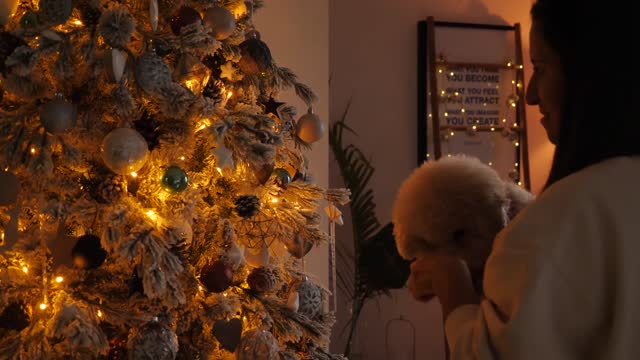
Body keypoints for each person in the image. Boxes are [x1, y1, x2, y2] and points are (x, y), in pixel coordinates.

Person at [406, 0, 639, 358]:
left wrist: (453, 284)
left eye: (541, 68)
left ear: (589, 76)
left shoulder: (560, 218)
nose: (529, 94)